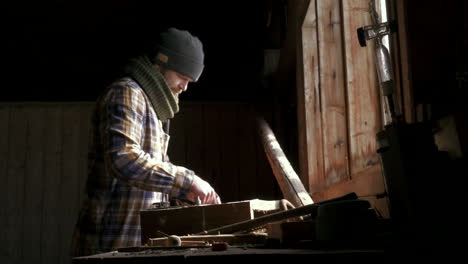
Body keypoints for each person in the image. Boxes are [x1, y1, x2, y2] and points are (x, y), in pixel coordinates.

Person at [71, 28, 221, 257]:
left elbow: (153, 176)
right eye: (183, 77)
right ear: (162, 62)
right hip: (109, 243)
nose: (185, 87)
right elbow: (124, 159)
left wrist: (187, 194)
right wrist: (189, 181)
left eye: (190, 81)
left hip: (133, 243)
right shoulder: (127, 93)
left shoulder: (153, 108)